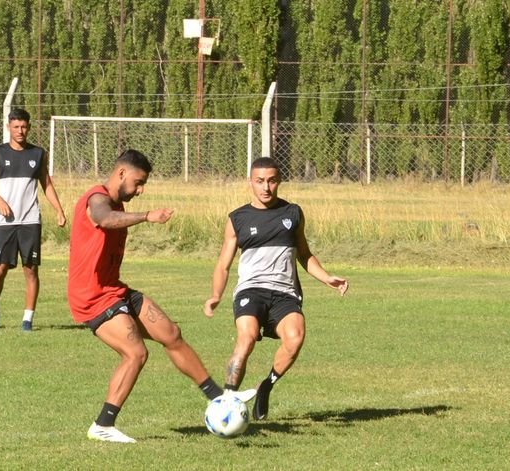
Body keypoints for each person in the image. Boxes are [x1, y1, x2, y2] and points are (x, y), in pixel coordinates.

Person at [67, 149, 253, 443]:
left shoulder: (116, 202)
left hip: (114, 290)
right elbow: (103, 219)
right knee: (136, 353)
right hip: (91, 297)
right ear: (121, 174)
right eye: (138, 183)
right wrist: (146, 217)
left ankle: (218, 398)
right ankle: (103, 424)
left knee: (171, 333)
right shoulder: (97, 199)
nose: (140, 191)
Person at [204, 157, 348, 421]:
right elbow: (223, 265)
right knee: (246, 338)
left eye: (271, 181)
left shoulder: (293, 213)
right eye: (259, 181)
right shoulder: (237, 218)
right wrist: (215, 295)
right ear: (250, 182)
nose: (266, 187)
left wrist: (326, 277)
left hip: (285, 293)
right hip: (251, 290)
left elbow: (304, 255)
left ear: (279, 181)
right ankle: (227, 399)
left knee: (295, 338)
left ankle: (266, 386)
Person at [0, 108, 66, 331]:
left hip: (30, 220)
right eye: (16, 127)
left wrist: (59, 210)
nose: (20, 131)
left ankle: (27, 321)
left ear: (29, 127)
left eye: (24, 127)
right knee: (0, 269)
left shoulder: (37, 154)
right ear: (9, 127)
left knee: (31, 270)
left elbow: (46, 184)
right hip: (6, 222)